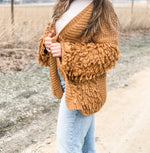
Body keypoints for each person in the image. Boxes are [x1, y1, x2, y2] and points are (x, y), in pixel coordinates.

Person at [37, 0, 120, 152]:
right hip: (65, 83)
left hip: (83, 89)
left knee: (68, 147)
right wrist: (47, 43)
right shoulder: (64, 3)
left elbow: (109, 52)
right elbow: (52, 33)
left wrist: (66, 52)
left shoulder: (101, 8)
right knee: (86, 149)